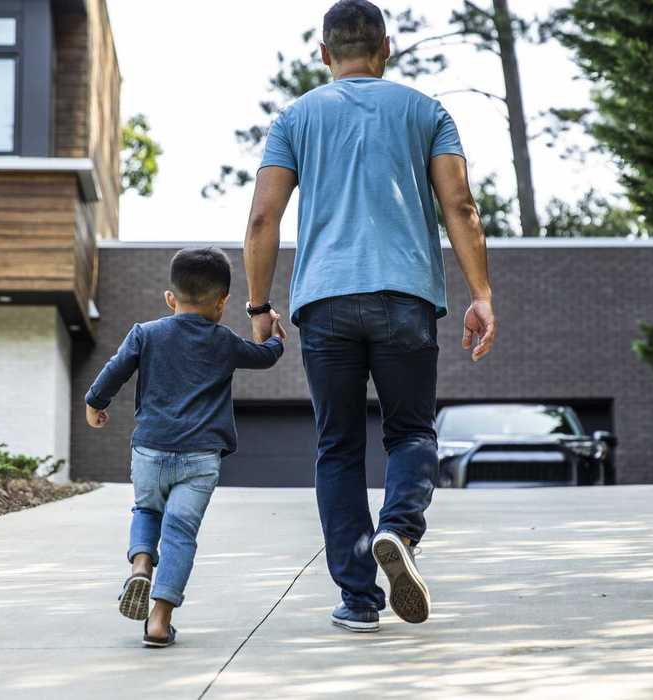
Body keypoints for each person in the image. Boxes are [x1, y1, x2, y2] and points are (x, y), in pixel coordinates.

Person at [241, 0, 496, 632]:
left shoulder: (294, 119)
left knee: (338, 449)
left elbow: (262, 219)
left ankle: (358, 601)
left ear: (324, 54)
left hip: (324, 304)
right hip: (405, 298)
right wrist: (481, 294)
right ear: (386, 47)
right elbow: (460, 206)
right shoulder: (426, 111)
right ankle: (400, 532)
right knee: (411, 433)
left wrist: (257, 306)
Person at [84, 247, 285, 648]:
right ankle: (159, 621)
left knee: (146, 509)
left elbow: (114, 370)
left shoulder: (146, 333)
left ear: (170, 298)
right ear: (223, 302)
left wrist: (95, 403)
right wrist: (274, 337)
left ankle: (141, 563)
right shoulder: (224, 341)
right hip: (200, 458)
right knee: (180, 533)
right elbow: (264, 357)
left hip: (151, 450)